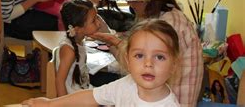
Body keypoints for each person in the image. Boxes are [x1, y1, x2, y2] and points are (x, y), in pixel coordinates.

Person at [99, 0, 203, 105]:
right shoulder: (159, 17)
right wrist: (112, 40)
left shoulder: (169, 24)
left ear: (149, 0)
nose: (129, 3)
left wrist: (115, 41)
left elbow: (139, 65)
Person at [23, 19, 181, 106]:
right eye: (139, 55)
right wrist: (51, 104)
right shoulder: (127, 85)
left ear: (174, 65)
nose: (148, 64)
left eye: (159, 57)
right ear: (127, 60)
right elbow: (91, 97)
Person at [55, 0, 100, 96]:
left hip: (83, 88)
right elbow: (59, 81)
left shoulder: (79, 40)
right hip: (73, 96)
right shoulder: (69, 51)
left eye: (97, 17)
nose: (99, 23)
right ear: (78, 29)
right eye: (94, 20)